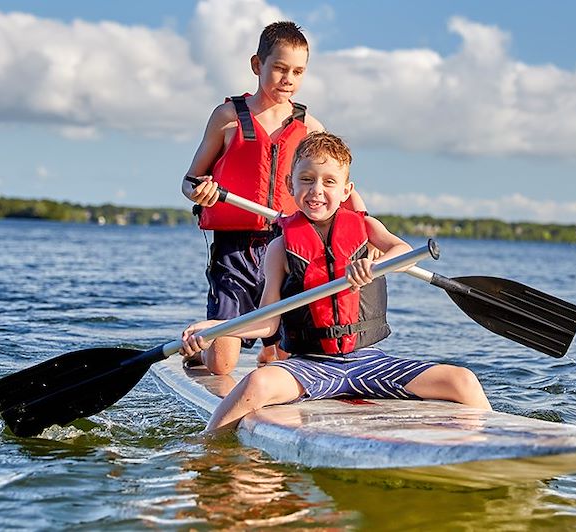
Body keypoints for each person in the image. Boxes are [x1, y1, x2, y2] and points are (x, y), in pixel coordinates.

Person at [180, 132, 492, 432]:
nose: (317, 189)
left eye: (329, 182)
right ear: (290, 184)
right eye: (306, 179)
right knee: (256, 384)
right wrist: (216, 328)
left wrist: (373, 264)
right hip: (310, 367)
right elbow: (267, 324)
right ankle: (207, 449)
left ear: (346, 190)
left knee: (462, 380)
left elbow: (404, 253)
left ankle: (494, 446)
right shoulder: (279, 248)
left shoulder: (365, 227)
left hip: (368, 363)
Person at [181, 21, 367, 375]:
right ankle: (199, 353)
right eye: (280, 68)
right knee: (221, 366)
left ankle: (271, 353)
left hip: (288, 247)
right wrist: (200, 192)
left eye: (297, 71)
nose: (288, 79)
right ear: (257, 65)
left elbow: (338, 186)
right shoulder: (226, 118)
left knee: (280, 357)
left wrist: (365, 226)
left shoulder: (311, 127)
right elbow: (190, 181)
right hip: (234, 250)